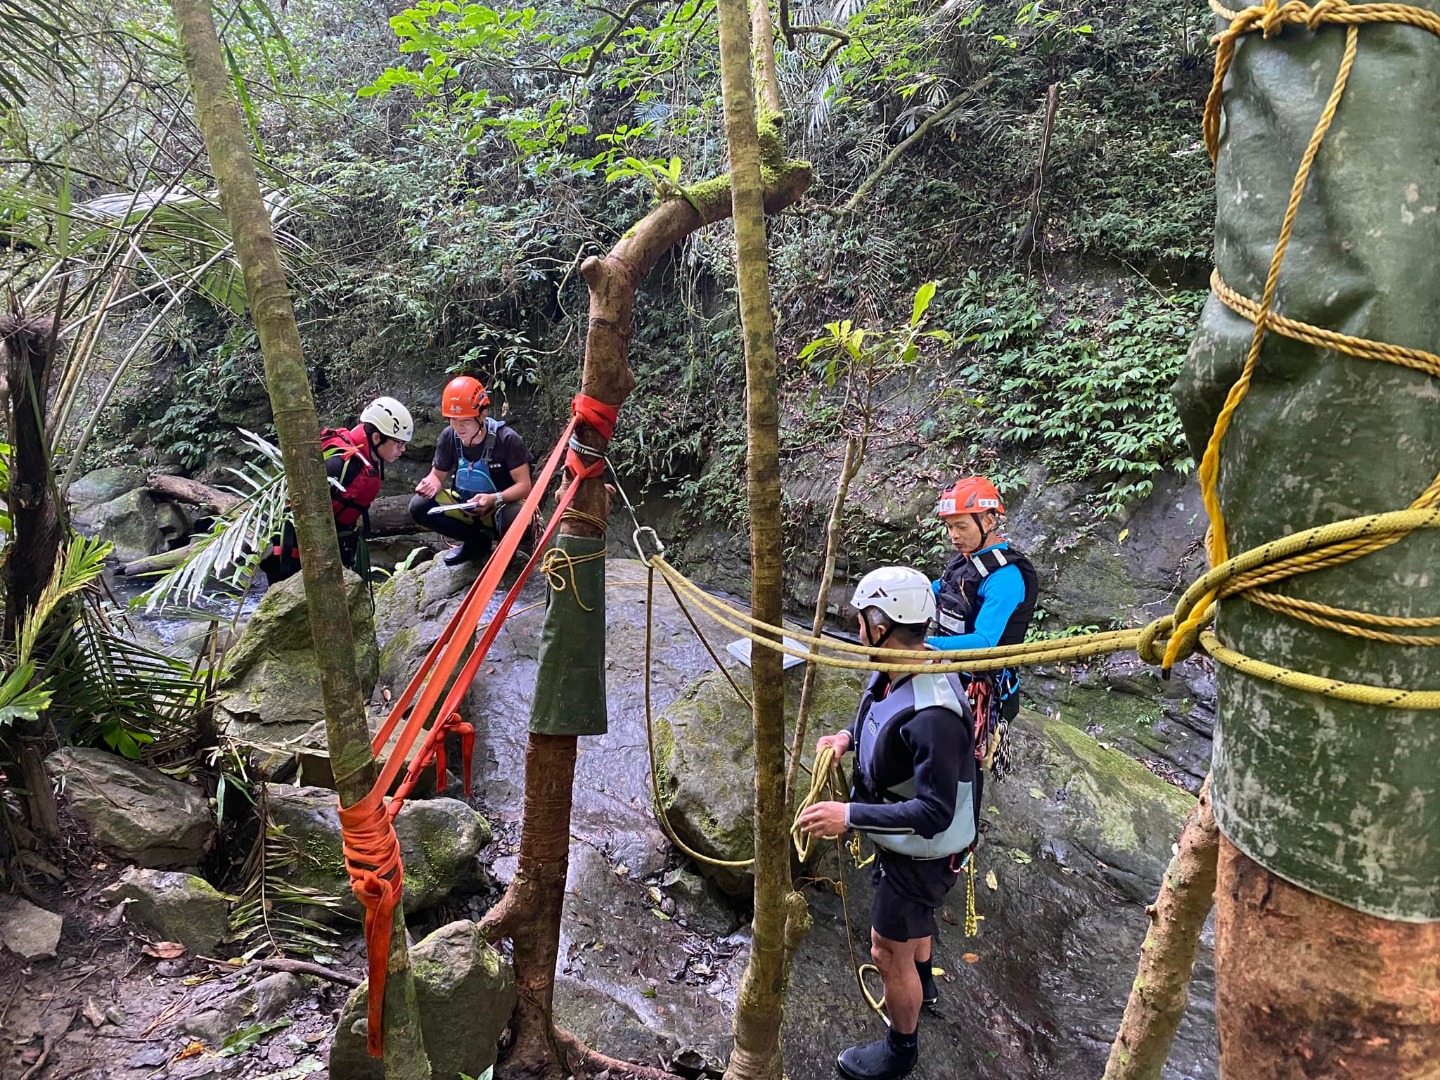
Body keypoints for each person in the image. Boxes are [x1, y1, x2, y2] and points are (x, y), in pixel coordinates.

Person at [798, 566, 977, 1080]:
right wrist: (844, 741)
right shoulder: (899, 667)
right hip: (908, 843)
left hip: (925, 851)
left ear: (879, 623)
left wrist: (848, 815)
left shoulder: (934, 715)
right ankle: (925, 980)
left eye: (861, 619)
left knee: (885, 947)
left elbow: (933, 812)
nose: (857, 628)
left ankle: (902, 1051)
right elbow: (877, 719)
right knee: (909, 930)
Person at [929, 475, 1038, 771]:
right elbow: (941, 588)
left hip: (981, 689)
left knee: (960, 766)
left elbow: (985, 641)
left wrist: (927, 647)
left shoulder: (1004, 578)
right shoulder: (966, 560)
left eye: (961, 526)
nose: (953, 535)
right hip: (953, 674)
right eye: (950, 526)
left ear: (989, 521)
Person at [259, 396, 413, 585]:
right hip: (292, 553)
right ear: (376, 438)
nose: (403, 449)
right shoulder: (338, 464)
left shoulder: (362, 460)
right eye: (399, 443)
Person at [408, 375, 534, 567]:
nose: (459, 427)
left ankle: (505, 551)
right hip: (465, 506)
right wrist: (430, 484)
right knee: (419, 506)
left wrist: (494, 499)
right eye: (453, 420)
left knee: (518, 515)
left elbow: (525, 486)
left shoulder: (507, 440)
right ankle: (476, 543)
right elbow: (437, 475)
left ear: (482, 415)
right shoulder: (449, 436)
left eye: (465, 421)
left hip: (500, 507)